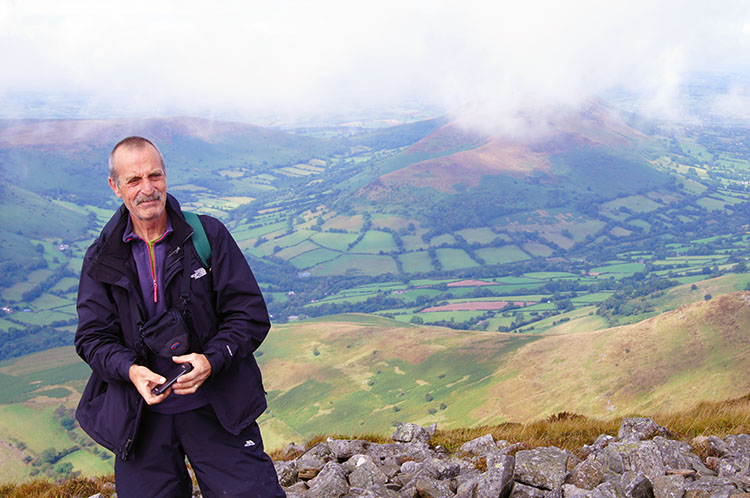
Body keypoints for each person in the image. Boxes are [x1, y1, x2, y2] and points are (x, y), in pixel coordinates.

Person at [75, 136, 285, 497]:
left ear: (166, 176)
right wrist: (131, 370)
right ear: (115, 187)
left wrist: (211, 360)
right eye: (134, 180)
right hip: (141, 418)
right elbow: (92, 338)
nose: (147, 189)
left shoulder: (207, 235)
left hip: (217, 407)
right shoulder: (101, 258)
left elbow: (249, 315)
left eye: (154, 176)